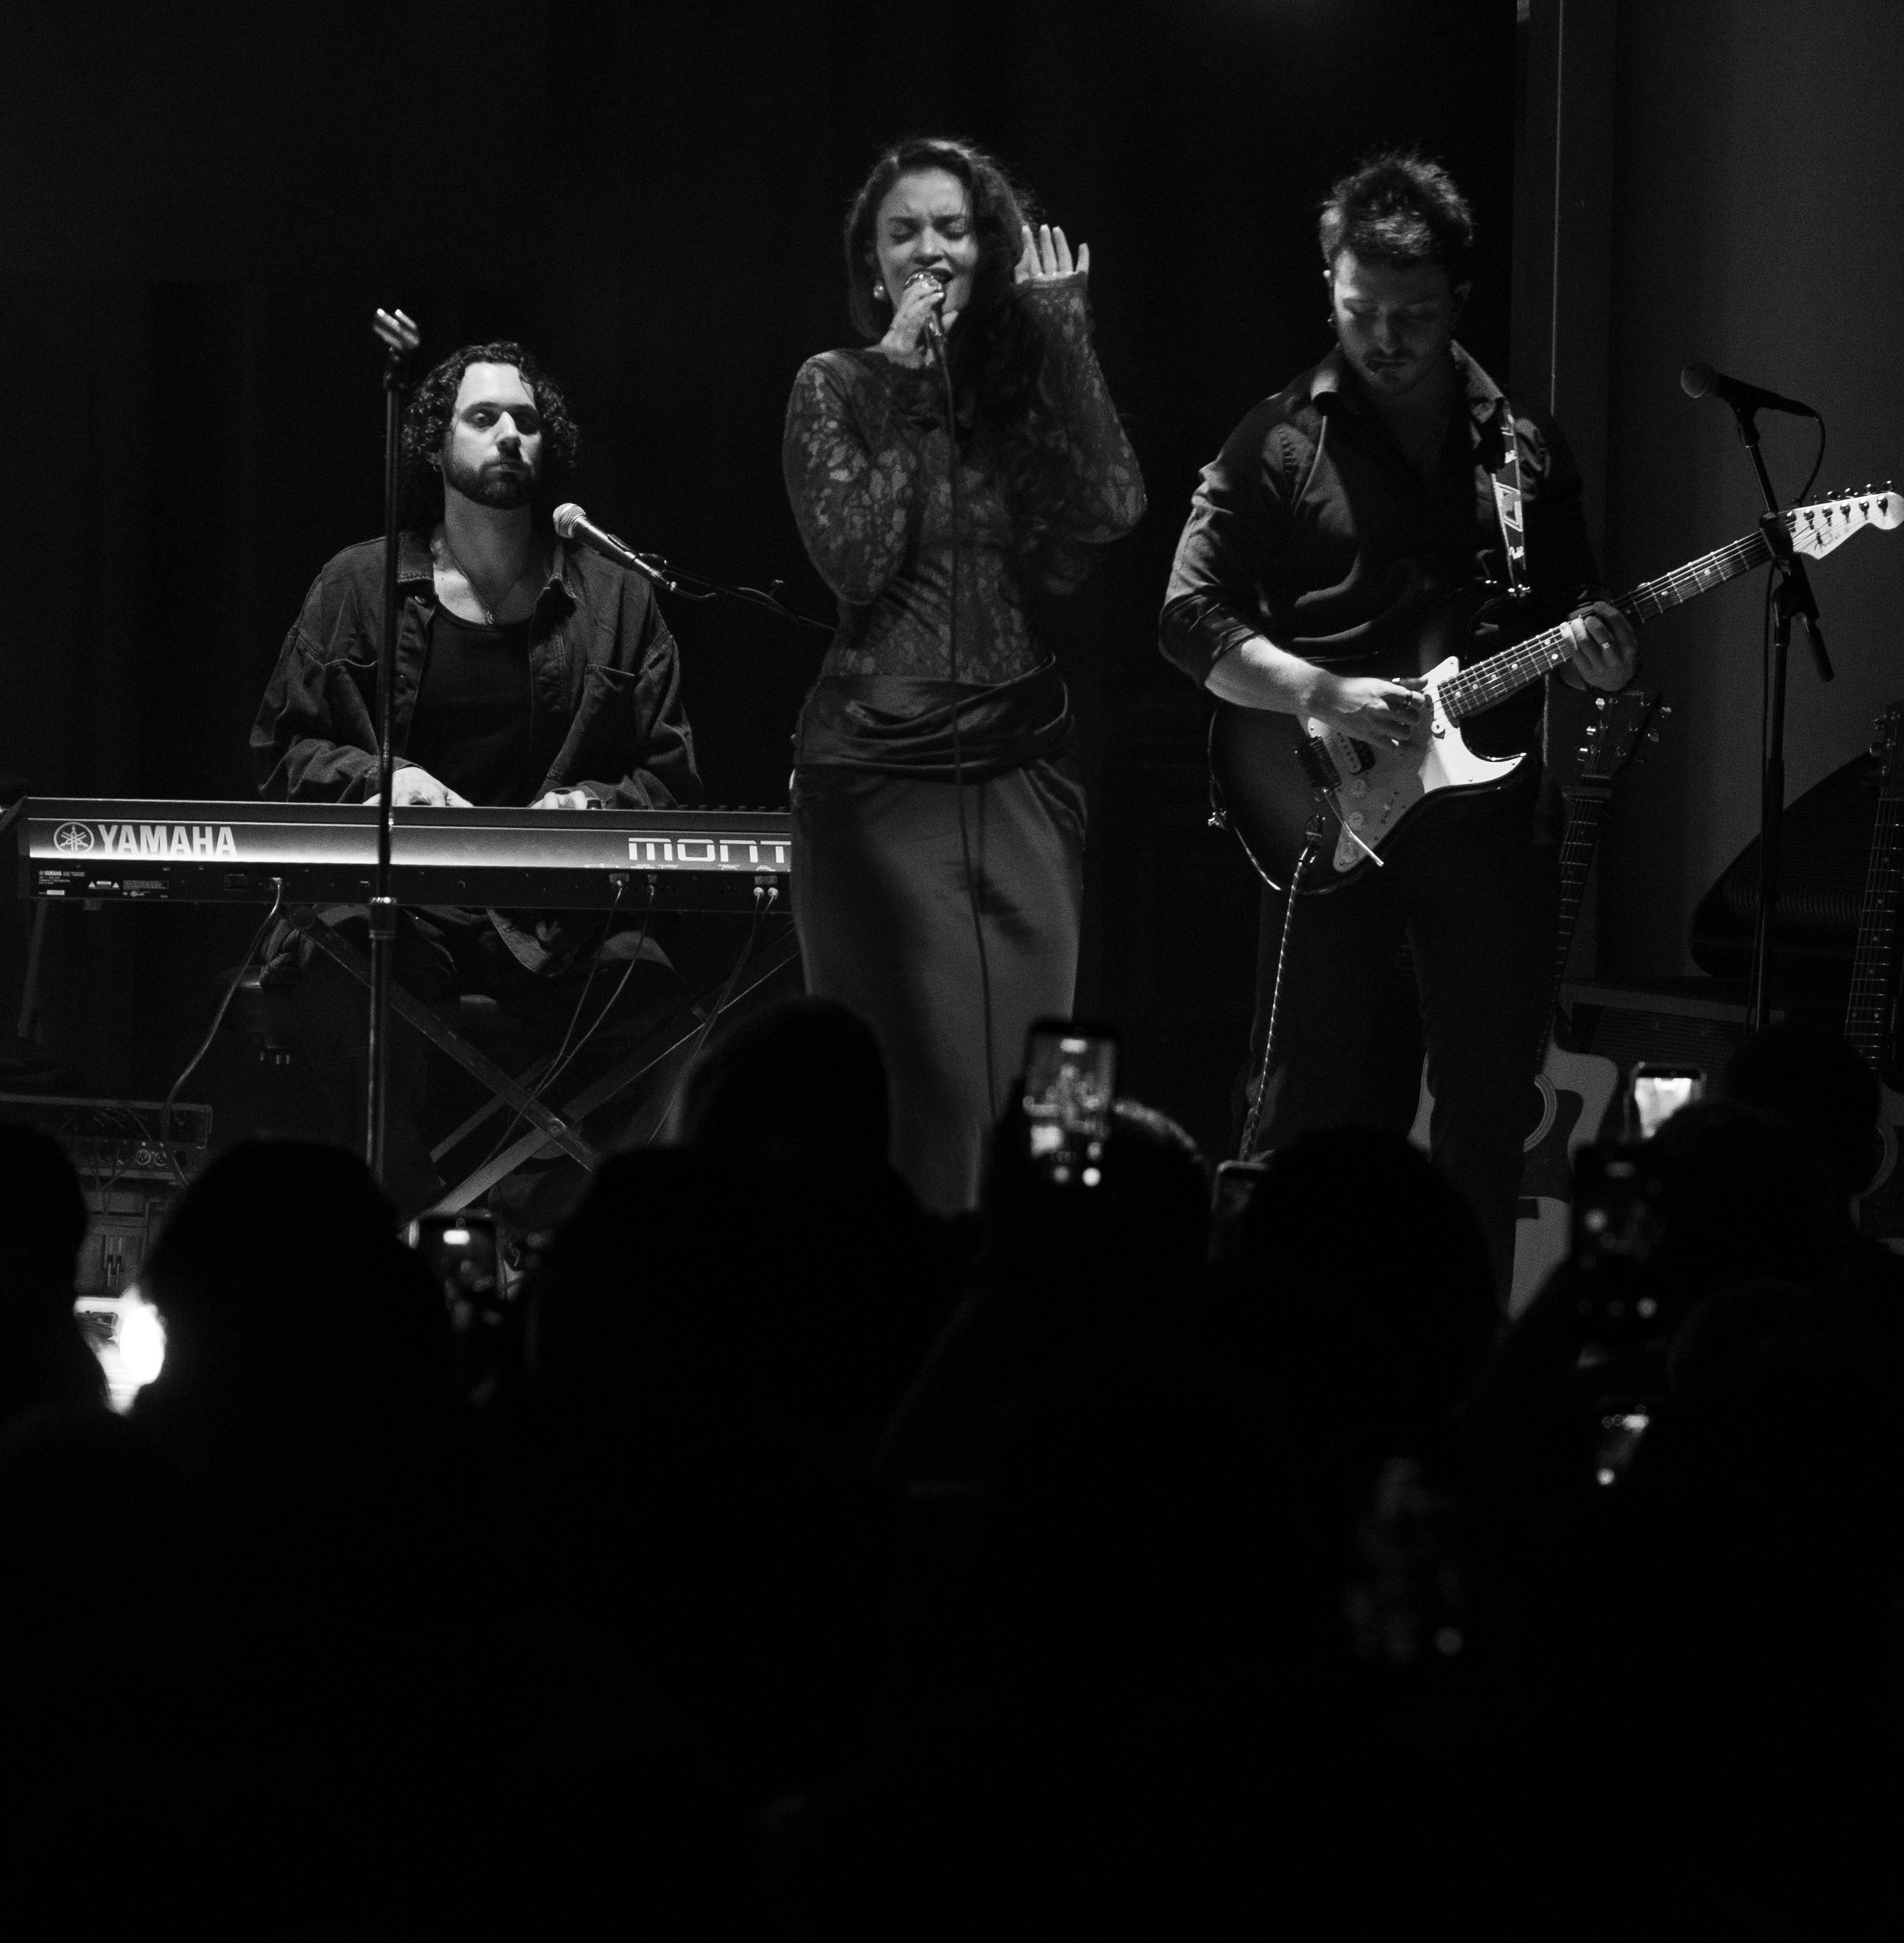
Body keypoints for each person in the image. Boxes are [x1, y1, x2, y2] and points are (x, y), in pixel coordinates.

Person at [1159, 151, 1636, 1294]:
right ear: (1329, 288)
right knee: (1293, 1100)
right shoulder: (1280, 439)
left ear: (1458, 301)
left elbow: (1575, 609)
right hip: (1323, 800)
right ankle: (1251, 1336)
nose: (1383, 339)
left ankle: (1457, 1354)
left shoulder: (1524, 449)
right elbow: (1185, 618)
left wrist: (1605, 662)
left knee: (1488, 1107)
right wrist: (1321, 692)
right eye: (1359, 310)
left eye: (1413, 316)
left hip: (1486, 823)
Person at [251, 340, 699, 1211]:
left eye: (526, 420)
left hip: (559, 918)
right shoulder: (357, 586)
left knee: (667, 1005)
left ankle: (561, 1236)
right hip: (399, 906)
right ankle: (414, 1234)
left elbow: (670, 775)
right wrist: (384, 781)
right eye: (483, 417)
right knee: (340, 971)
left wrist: (589, 805)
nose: (508, 435)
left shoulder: (620, 598)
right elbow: (282, 753)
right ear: (436, 443)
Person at [783, 135, 1146, 1213]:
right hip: (875, 780)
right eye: (904, 233)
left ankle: (1056, 1260)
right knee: (908, 1082)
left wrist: (1067, 339)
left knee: (1056, 1066)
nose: (930, 251)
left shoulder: (1018, 389)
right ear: (873, 263)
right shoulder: (834, 384)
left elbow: (1116, 508)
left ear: (990, 249)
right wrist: (902, 380)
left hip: (1023, 761)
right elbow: (855, 559)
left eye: (952, 228)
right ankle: (903, 1280)